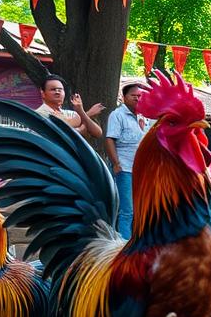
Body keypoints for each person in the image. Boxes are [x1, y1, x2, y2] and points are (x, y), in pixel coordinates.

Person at [104, 83, 151, 235]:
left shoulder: (144, 117)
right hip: (125, 169)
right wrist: (116, 163)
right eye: (134, 95)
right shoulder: (117, 115)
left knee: (141, 209)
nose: (138, 98)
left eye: (141, 96)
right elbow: (110, 139)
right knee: (127, 211)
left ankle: (137, 242)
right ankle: (124, 247)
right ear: (124, 97)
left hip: (143, 171)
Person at [35, 74, 104, 139]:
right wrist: (89, 114)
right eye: (53, 89)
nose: (57, 92)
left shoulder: (70, 113)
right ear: (43, 93)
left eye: (60, 89)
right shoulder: (38, 114)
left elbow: (97, 133)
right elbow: (58, 131)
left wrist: (81, 111)